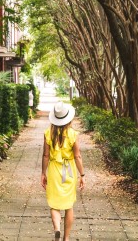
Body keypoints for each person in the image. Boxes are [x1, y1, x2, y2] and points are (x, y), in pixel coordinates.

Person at [41, 101, 85, 241]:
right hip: (69, 170)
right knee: (68, 205)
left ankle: (57, 228)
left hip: (54, 170)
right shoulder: (72, 134)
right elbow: (77, 156)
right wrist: (82, 175)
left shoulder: (48, 133)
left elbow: (46, 155)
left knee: (54, 204)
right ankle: (66, 238)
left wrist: (43, 173)